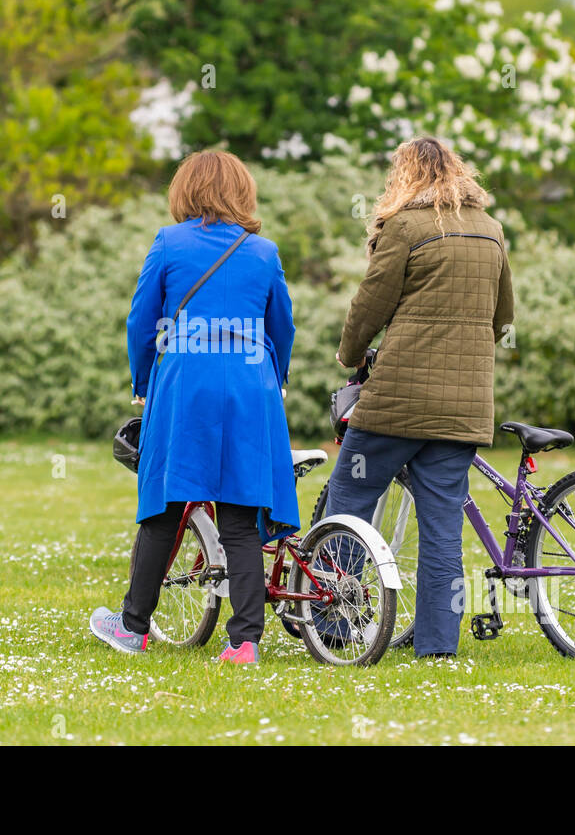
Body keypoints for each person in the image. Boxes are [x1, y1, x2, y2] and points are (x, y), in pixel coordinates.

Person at [89, 151, 299, 665]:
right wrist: (278, 379)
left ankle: (133, 627)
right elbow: (283, 326)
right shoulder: (264, 251)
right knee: (241, 516)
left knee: (167, 502)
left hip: (186, 383)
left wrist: (142, 380)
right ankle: (245, 642)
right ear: (242, 191)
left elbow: (141, 322)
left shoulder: (168, 242)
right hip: (251, 386)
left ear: (186, 190)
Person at [326, 136, 515, 659]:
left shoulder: (406, 227)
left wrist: (350, 353)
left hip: (396, 402)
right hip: (465, 407)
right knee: (441, 529)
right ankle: (437, 647)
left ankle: (336, 626)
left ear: (404, 176)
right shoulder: (491, 231)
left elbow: (371, 304)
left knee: (349, 500)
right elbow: (502, 319)